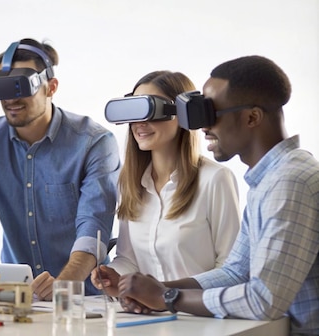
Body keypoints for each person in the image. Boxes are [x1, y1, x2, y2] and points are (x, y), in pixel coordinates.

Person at [117, 56, 319, 335]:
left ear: (251, 117)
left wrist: (167, 298)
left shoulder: (291, 182)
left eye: (212, 114)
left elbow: (264, 300)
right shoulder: (268, 181)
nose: (202, 127)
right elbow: (235, 273)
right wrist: (155, 289)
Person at [0, 38, 121, 300]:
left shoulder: (94, 142)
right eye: (3, 87)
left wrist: (62, 288)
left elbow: (93, 227)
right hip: (17, 299)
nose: (11, 98)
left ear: (51, 87)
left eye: (21, 86)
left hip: (84, 299)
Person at [91, 71, 241, 295]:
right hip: (147, 320)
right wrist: (114, 275)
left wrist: (166, 293)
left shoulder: (215, 180)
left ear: (182, 114)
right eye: (134, 112)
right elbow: (128, 260)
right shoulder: (130, 184)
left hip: (199, 319)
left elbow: (232, 270)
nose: (140, 123)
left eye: (151, 111)